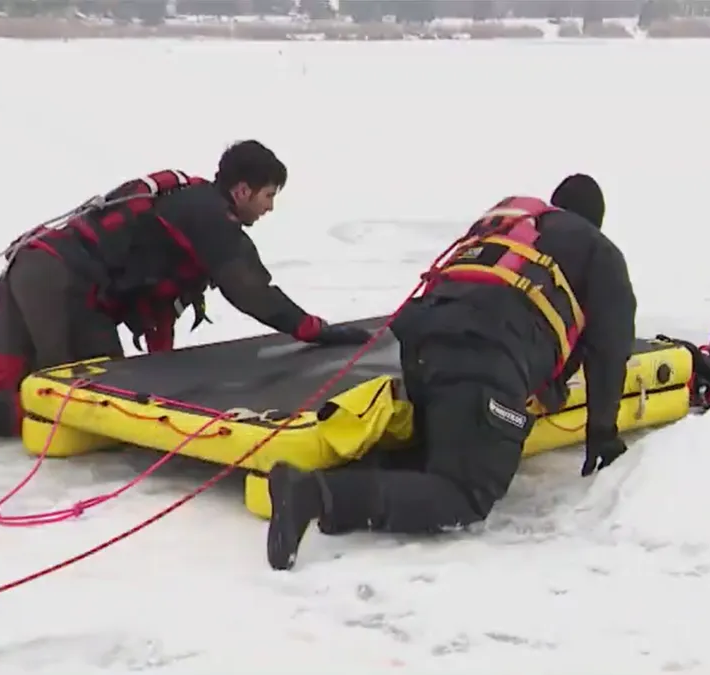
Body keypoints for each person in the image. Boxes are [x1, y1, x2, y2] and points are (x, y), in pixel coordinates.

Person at [0, 140, 371, 454]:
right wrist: (316, 331)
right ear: (243, 189)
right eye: (269, 195)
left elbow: (159, 308)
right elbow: (252, 292)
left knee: (1, 378)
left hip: (32, 265)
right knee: (94, 410)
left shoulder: (183, 206)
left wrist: (167, 374)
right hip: (66, 284)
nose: (270, 208)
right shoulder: (212, 218)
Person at [264, 173, 638, 571]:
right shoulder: (599, 252)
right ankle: (313, 495)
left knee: (432, 456)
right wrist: (602, 434)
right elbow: (610, 349)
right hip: (485, 347)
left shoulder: (515, 224)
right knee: (465, 491)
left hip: (423, 337)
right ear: (595, 221)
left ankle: (336, 492)